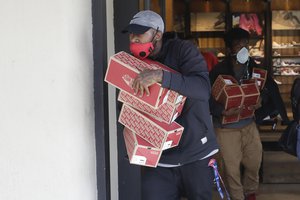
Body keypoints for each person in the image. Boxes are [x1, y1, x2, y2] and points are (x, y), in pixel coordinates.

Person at [122, 10, 219, 200]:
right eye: (131, 34)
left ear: (157, 34)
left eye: (139, 33)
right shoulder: (133, 63)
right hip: (160, 159)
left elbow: (202, 89)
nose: (134, 38)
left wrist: (160, 76)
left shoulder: (183, 50)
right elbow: (129, 104)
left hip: (196, 153)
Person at [209, 28, 262, 200]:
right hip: (226, 129)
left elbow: (266, 89)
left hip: (249, 124)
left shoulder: (254, 66)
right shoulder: (218, 70)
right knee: (230, 169)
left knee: (254, 161)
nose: (244, 48)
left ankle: (250, 192)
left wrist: (261, 101)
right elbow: (206, 98)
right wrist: (221, 111)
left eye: (246, 44)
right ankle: (237, 197)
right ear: (229, 48)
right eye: (239, 45)